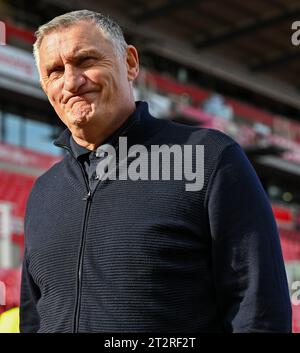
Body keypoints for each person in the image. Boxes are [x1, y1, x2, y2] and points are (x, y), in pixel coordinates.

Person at [20, 9, 292, 333]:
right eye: (54, 71)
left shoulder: (207, 158)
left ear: (130, 63)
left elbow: (259, 311)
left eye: (86, 61)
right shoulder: (43, 193)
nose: (72, 81)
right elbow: (34, 320)